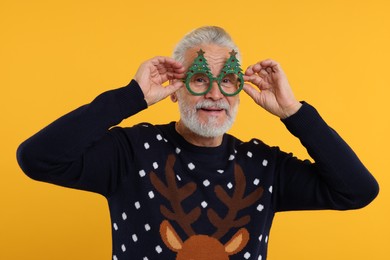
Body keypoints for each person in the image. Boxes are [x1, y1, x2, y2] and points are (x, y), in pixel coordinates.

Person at [17, 26, 379, 260]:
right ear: (175, 91)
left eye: (229, 81)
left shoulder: (264, 167)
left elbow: (357, 190)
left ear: (240, 92)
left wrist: (293, 111)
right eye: (201, 79)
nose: (216, 94)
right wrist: (130, 97)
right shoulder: (130, 153)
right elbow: (37, 158)